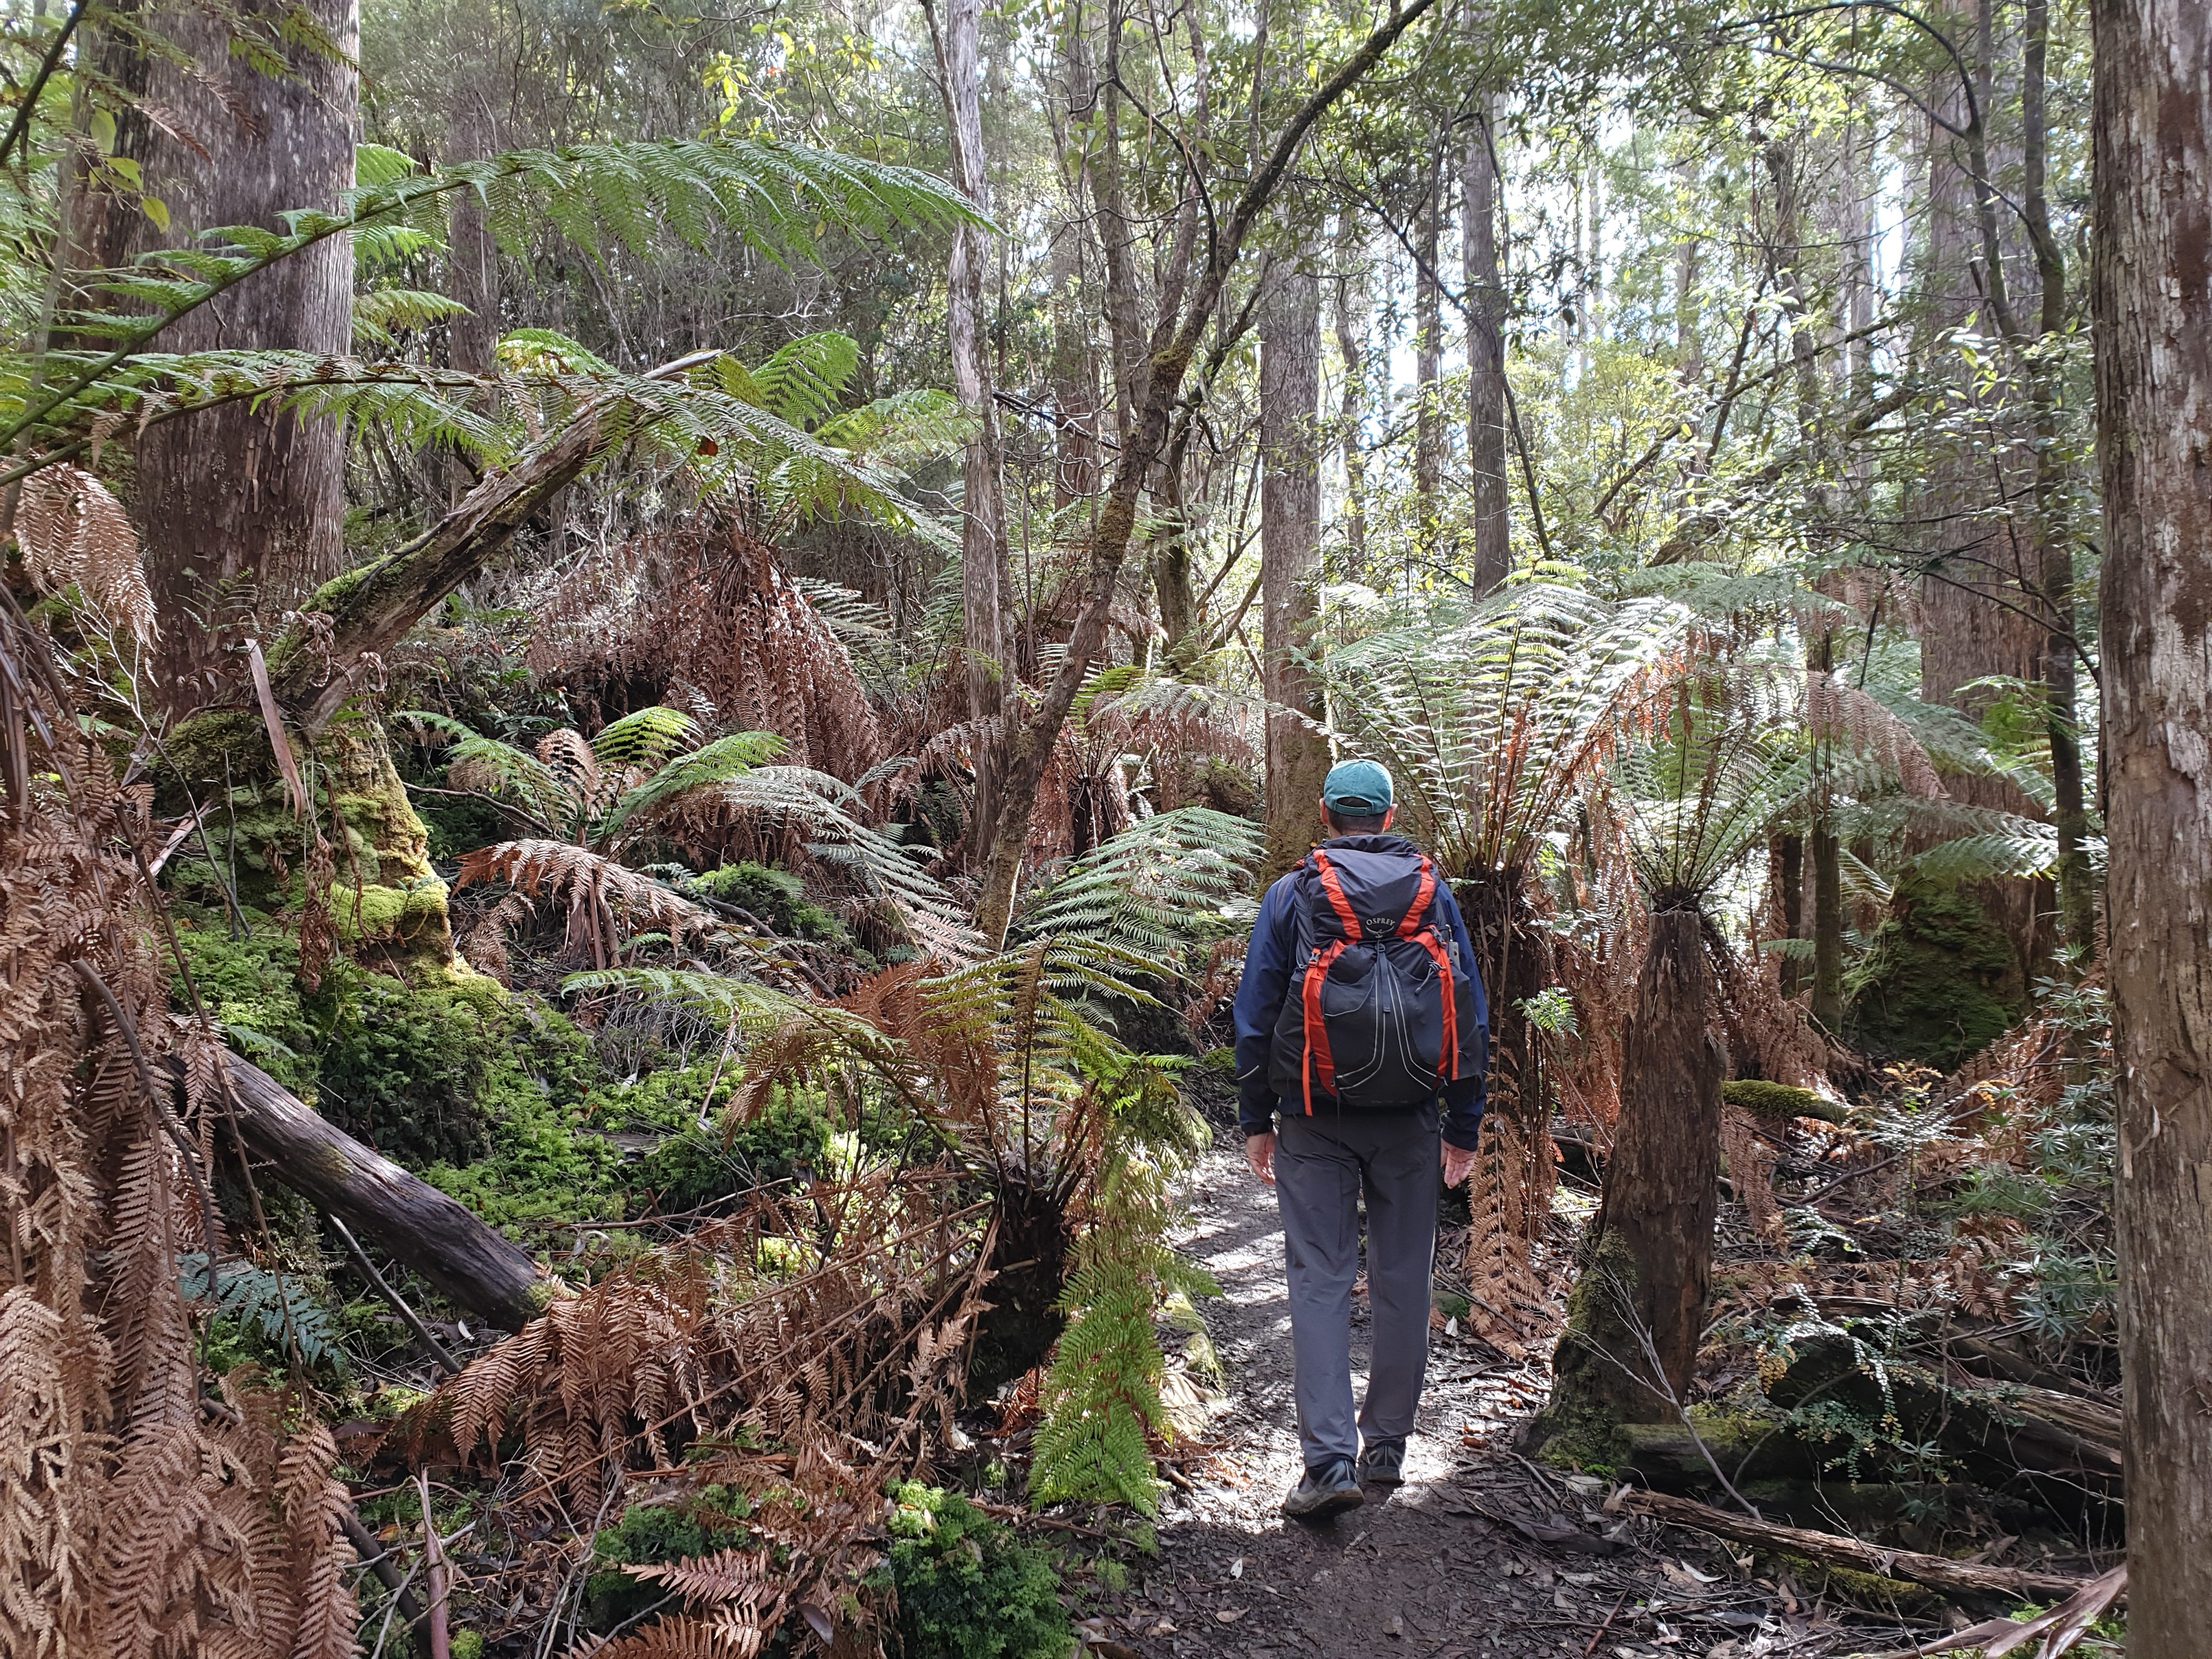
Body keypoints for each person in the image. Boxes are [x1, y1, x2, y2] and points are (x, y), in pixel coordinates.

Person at [1232, 758, 1489, 1520]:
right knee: (1404, 1277)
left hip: (1314, 1116)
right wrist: (1463, 1125)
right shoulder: (1434, 892)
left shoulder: (1292, 894)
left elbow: (1256, 1013)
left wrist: (1256, 1117)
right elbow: (1469, 1013)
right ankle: (1386, 1449)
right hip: (1411, 1118)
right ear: (1389, 817)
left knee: (1319, 1277)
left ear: (1324, 814)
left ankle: (1327, 1463)